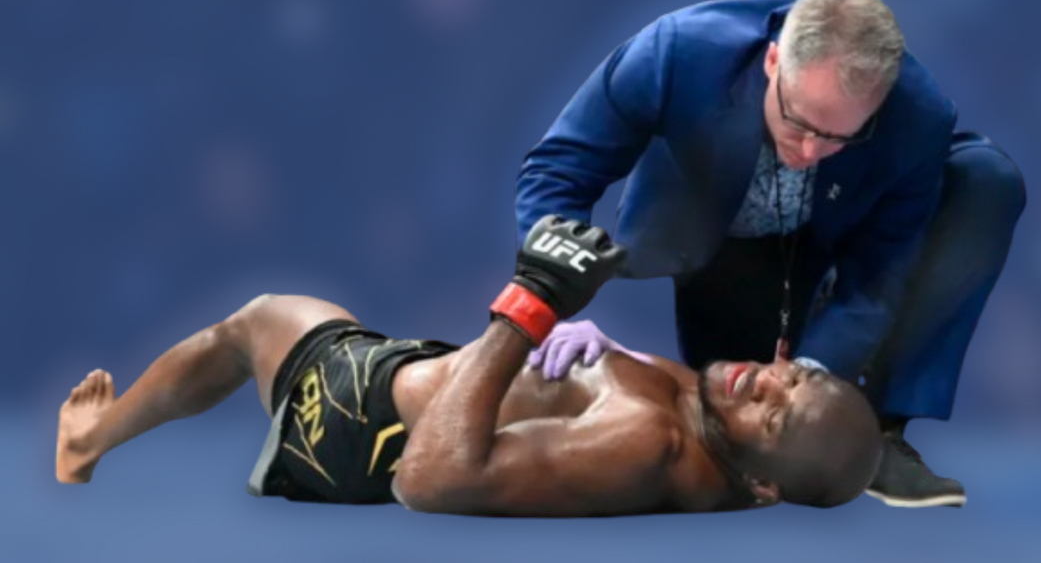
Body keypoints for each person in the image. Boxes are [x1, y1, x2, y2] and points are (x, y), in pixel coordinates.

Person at [515, 0, 1027, 507]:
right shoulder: (680, 50)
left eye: (838, 137)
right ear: (773, 62)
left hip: (830, 247)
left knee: (986, 179)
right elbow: (559, 170)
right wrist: (555, 298)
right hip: (713, 255)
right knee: (713, 424)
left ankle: (881, 431)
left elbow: (880, 275)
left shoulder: (919, 114)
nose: (809, 151)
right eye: (799, 122)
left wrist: (814, 379)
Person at [55, 216, 882, 516]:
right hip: (402, 379)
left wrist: (530, 304)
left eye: (774, 413)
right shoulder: (708, 424)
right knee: (282, 311)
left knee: (256, 318)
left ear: (764, 481)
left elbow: (430, 479)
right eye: (795, 375)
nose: (763, 379)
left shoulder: (647, 440)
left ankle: (88, 440)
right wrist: (605, 350)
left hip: (355, 419)